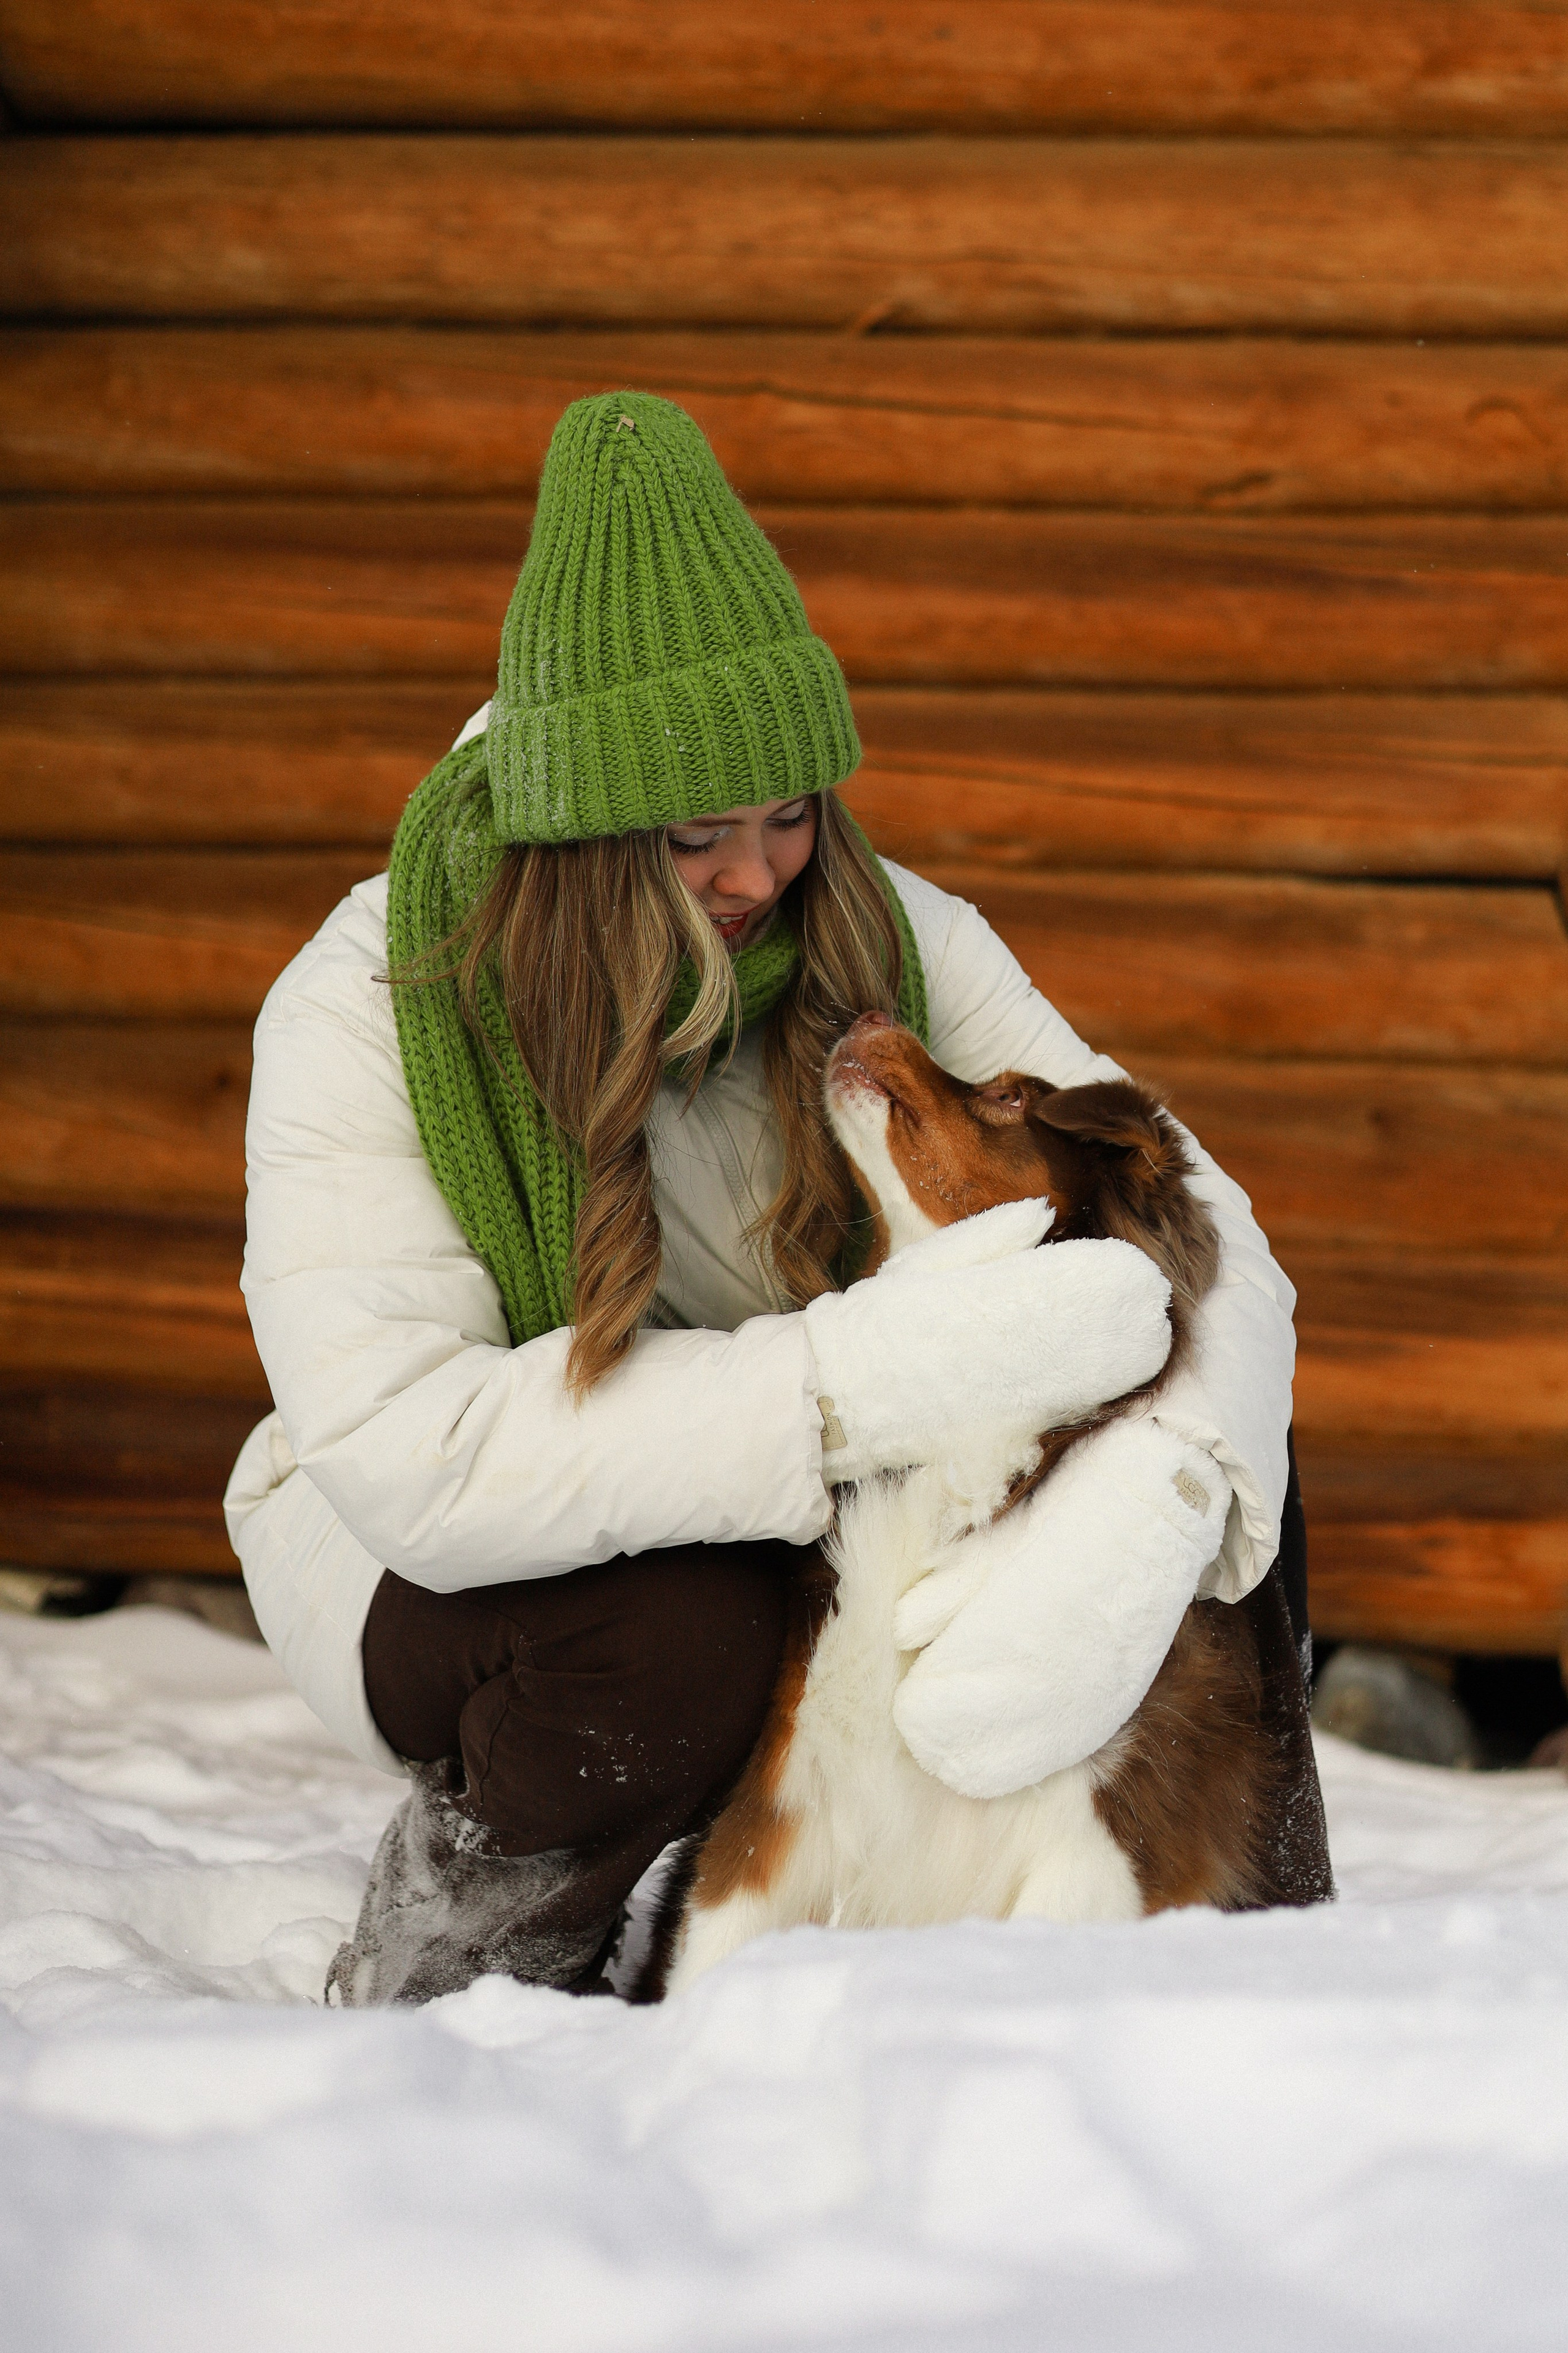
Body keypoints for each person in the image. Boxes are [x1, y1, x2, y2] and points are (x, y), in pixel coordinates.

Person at [225, 393, 1317, 2006]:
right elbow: (415, 1448)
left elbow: (1192, 1210)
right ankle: (466, 1950)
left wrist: (1161, 1495)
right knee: (689, 1628)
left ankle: (1274, 1948)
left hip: (815, 1479)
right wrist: (849, 1387)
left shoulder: (889, 932)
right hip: (430, 1553)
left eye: (791, 815)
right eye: (696, 835)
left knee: (1230, 1480)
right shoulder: (369, 1001)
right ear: (584, 830)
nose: (760, 875)